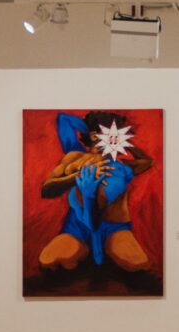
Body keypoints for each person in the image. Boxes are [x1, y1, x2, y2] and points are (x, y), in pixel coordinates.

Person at [38, 111, 156, 279]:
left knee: (137, 264)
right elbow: (46, 190)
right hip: (77, 227)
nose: (117, 137)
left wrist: (126, 144)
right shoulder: (74, 156)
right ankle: (84, 249)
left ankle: (104, 249)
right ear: (95, 135)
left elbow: (148, 162)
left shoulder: (121, 166)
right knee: (49, 261)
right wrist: (76, 178)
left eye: (120, 134)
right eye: (114, 132)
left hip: (114, 227)